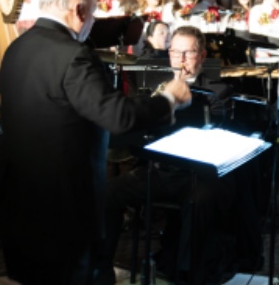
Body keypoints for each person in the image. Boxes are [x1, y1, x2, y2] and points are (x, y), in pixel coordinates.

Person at [0, 0, 191, 285]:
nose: (92, 20)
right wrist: (168, 100)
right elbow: (117, 116)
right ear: (79, 10)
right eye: (93, 12)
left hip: (17, 202)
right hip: (62, 210)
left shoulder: (17, 48)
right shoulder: (72, 55)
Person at [98, 26, 262, 284]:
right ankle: (101, 269)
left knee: (199, 202)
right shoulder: (158, 88)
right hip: (161, 171)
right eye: (175, 52)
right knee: (108, 193)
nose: (181, 60)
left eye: (188, 53)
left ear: (202, 55)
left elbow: (218, 139)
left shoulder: (217, 91)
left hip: (198, 175)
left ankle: (187, 275)